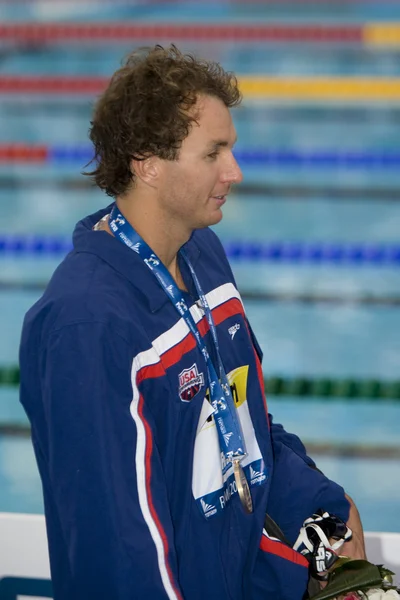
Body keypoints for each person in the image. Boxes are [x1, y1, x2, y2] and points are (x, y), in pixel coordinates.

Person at [19, 45, 365, 600]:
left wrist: (323, 514)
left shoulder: (203, 256)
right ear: (147, 161)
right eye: (214, 153)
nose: (235, 170)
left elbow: (246, 429)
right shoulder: (86, 326)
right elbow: (119, 556)